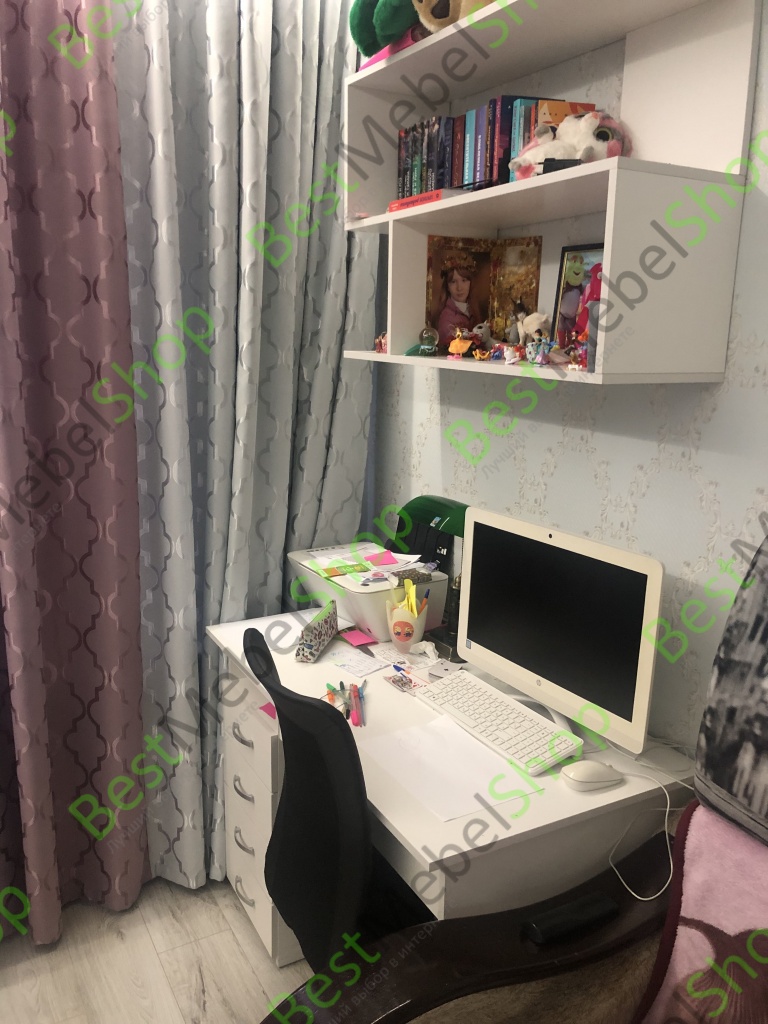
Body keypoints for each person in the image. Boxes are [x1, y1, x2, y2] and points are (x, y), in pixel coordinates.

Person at [436, 258, 481, 351]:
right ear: (447, 287)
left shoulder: (472, 309)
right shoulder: (446, 318)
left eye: (464, 280)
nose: (459, 288)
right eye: (453, 282)